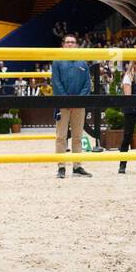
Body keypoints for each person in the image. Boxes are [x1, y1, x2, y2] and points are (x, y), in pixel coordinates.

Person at [51, 34, 93, 179]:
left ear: (76, 45)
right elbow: (56, 83)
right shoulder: (57, 61)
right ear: (63, 45)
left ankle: (77, 166)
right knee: (61, 137)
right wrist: (67, 101)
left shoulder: (83, 62)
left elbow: (87, 84)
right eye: (67, 42)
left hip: (79, 105)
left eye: (72, 42)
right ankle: (61, 167)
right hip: (62, 104)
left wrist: (77, 101)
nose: (70, 44)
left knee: (77, 136)